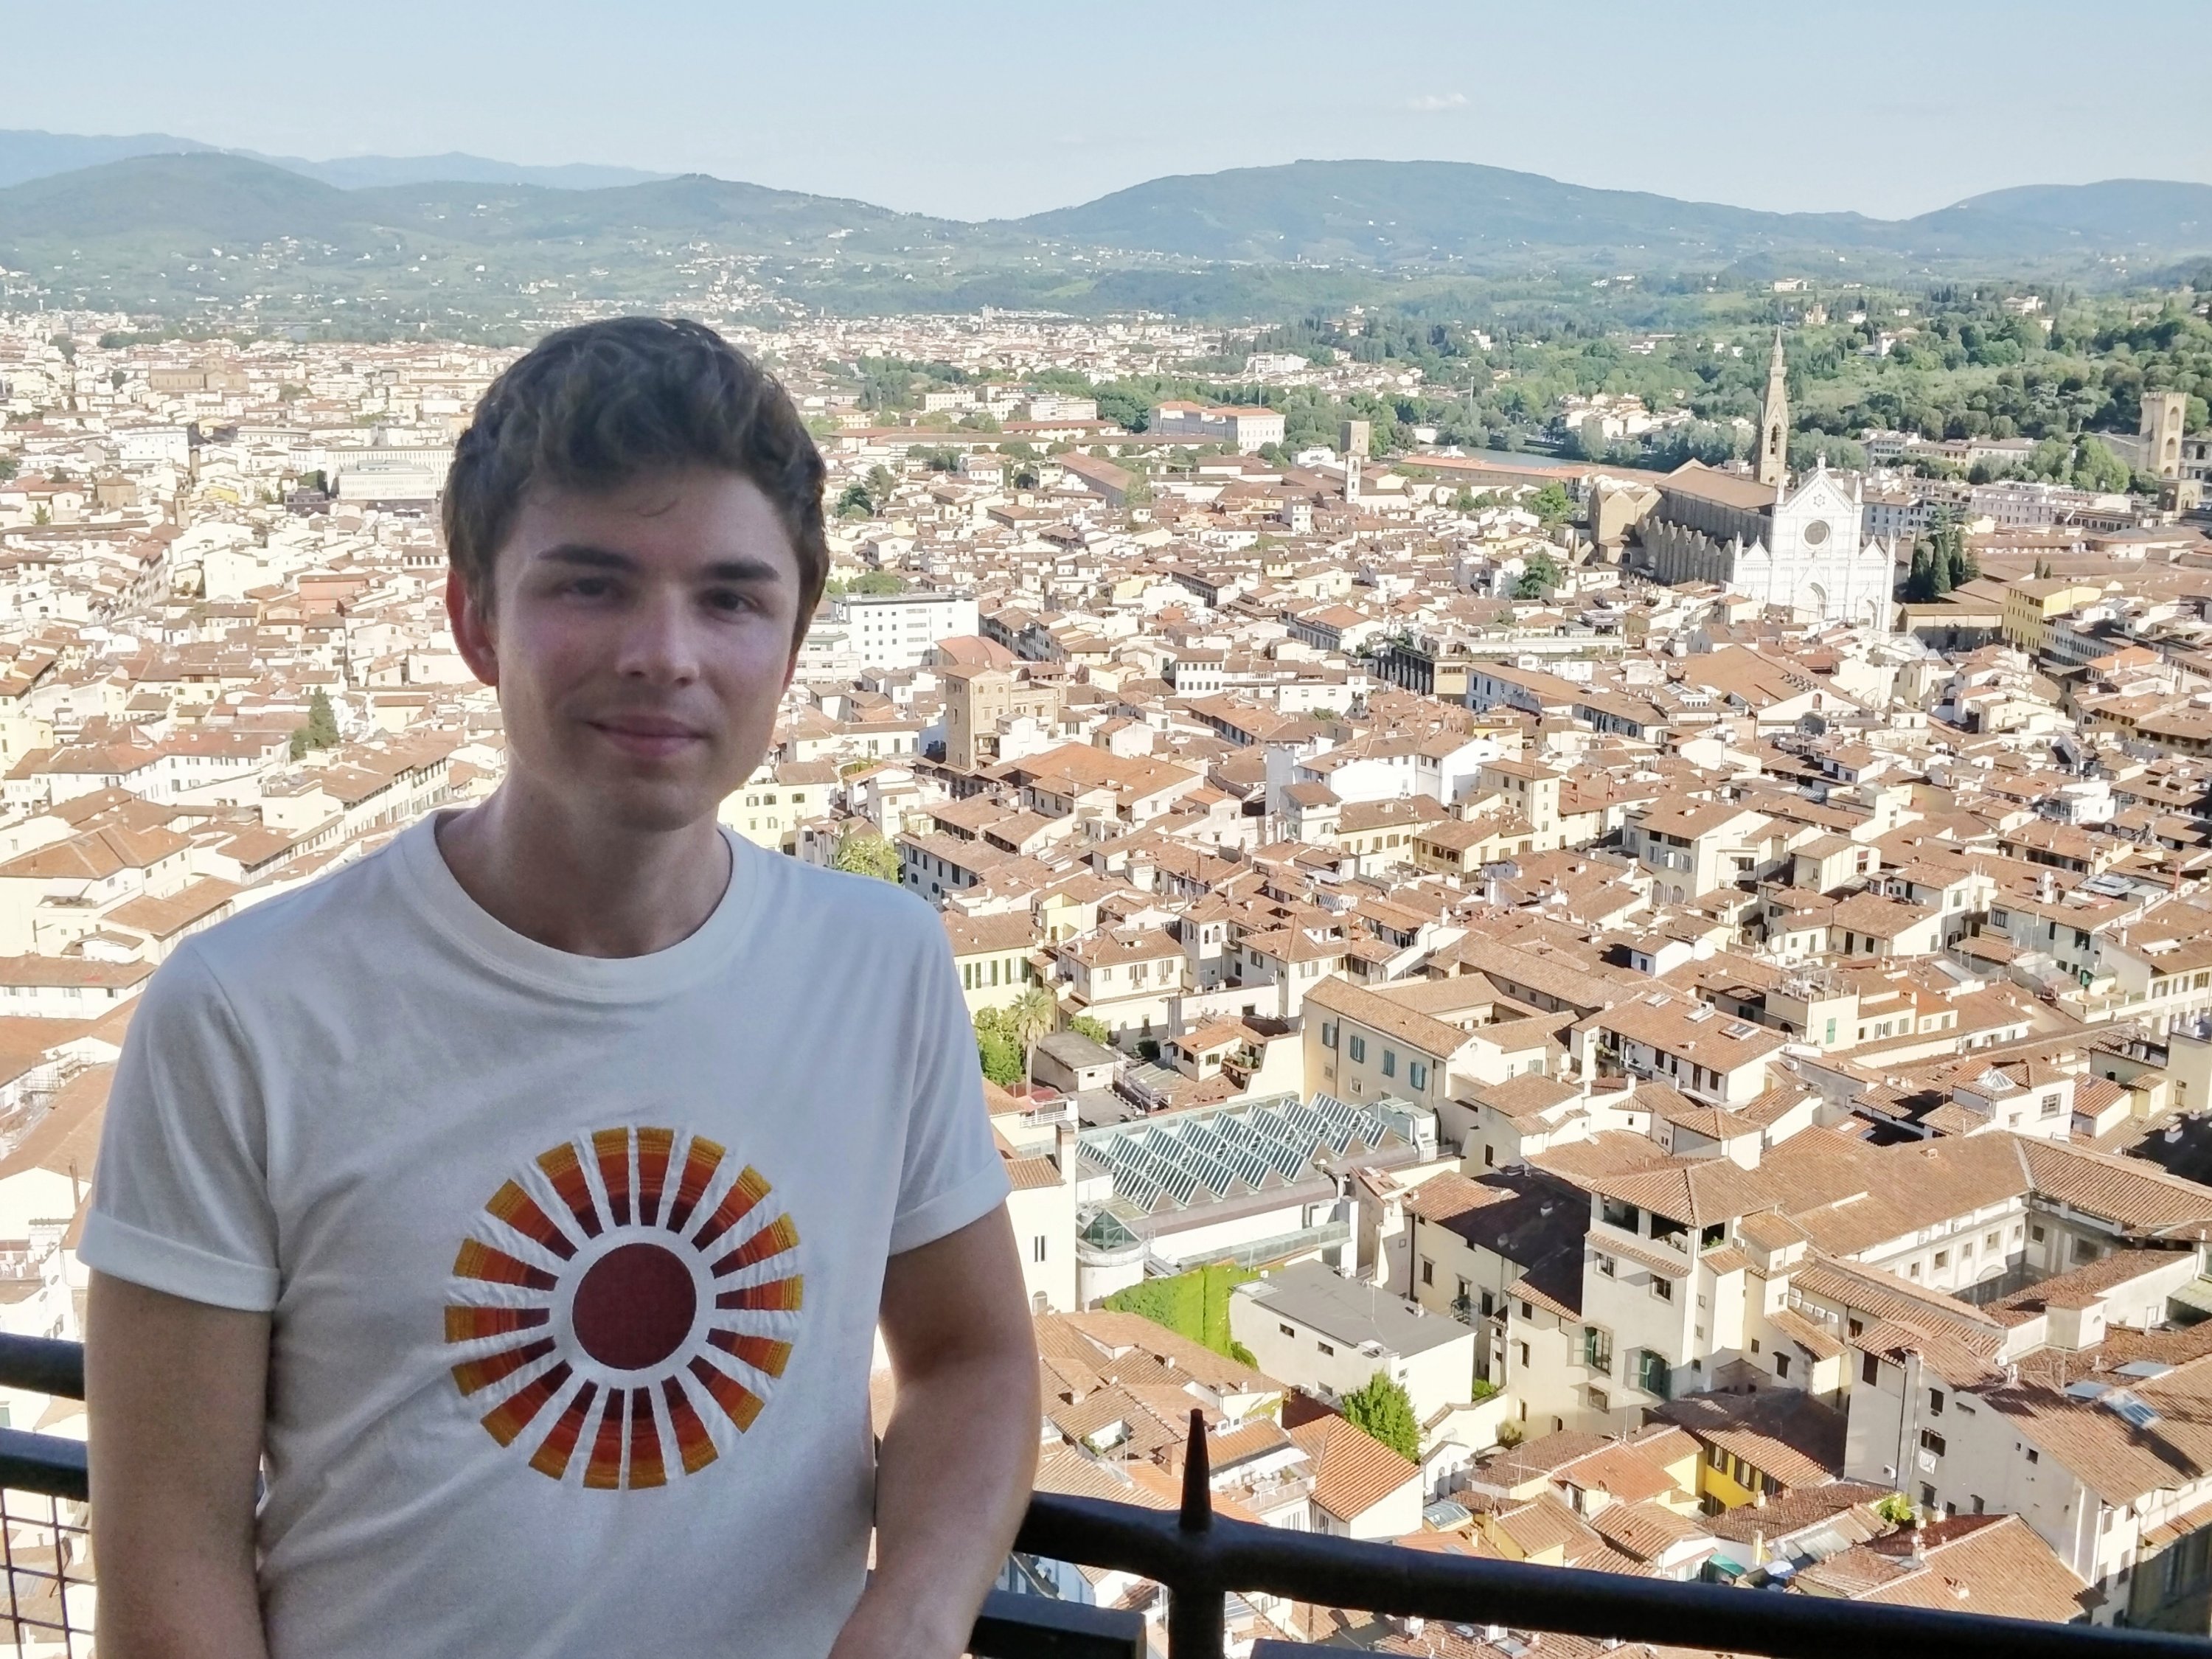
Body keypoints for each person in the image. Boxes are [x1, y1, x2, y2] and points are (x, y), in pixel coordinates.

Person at [83, 316, 1040, 1659]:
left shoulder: (883, 964)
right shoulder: (245, 1014)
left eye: (731, 598)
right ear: (473, 620)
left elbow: (972, 1359)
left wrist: (915, 1614)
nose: (665, 651)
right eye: (592, 585)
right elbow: (170, 1548)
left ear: (793, 644)